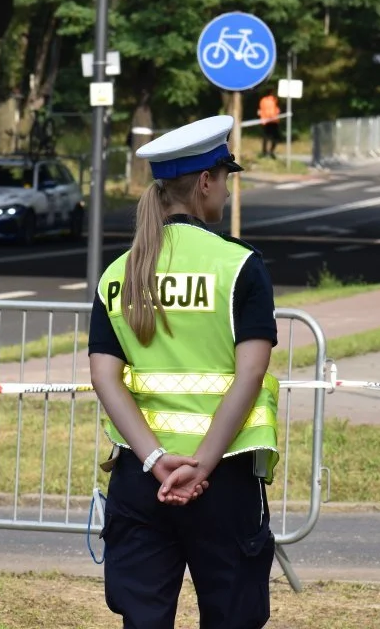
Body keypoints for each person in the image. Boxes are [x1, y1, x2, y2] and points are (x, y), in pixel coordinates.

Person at [89, 114, 280, 629]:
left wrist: (155, 460)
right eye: (224, 179)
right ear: (204, 182)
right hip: (224, 479)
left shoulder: (119, 272)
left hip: (140, 479)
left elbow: (104, 377)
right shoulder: (239, 266)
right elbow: (250, 374)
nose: (224, 190)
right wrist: (202, 466)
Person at [257, 92, 281, 159]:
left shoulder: (263, 100)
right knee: (275, 138)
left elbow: (260, 110)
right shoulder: (274, 99)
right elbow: (277, 110)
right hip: (273, 121)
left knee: (266, 138)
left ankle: (265, 153)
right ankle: (271, 152)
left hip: (265, 121)